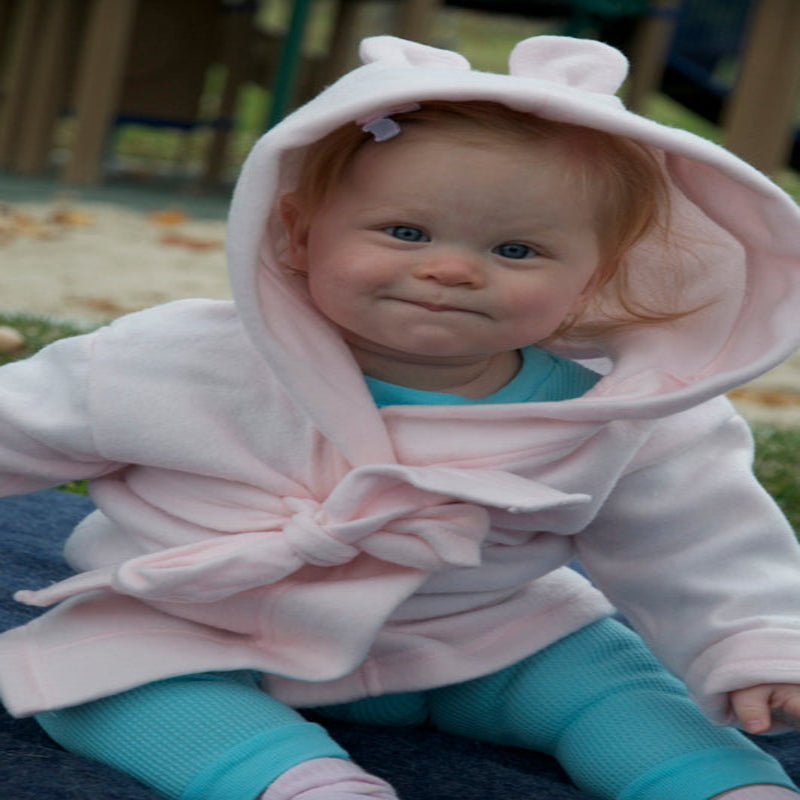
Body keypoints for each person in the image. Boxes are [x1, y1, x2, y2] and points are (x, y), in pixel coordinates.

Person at [2, 34, 800, 800]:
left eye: (516, 251)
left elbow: (703, 537)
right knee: (102, 678)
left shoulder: (621, 412)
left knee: (617, 683)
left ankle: (725, 784)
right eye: (405, 232)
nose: (450, 269)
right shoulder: (174, 357)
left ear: (592, 283)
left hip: (483, 635)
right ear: (297, 234)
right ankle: (293, 779)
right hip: (204, 623)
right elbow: (21, 424)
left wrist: (753, 642)